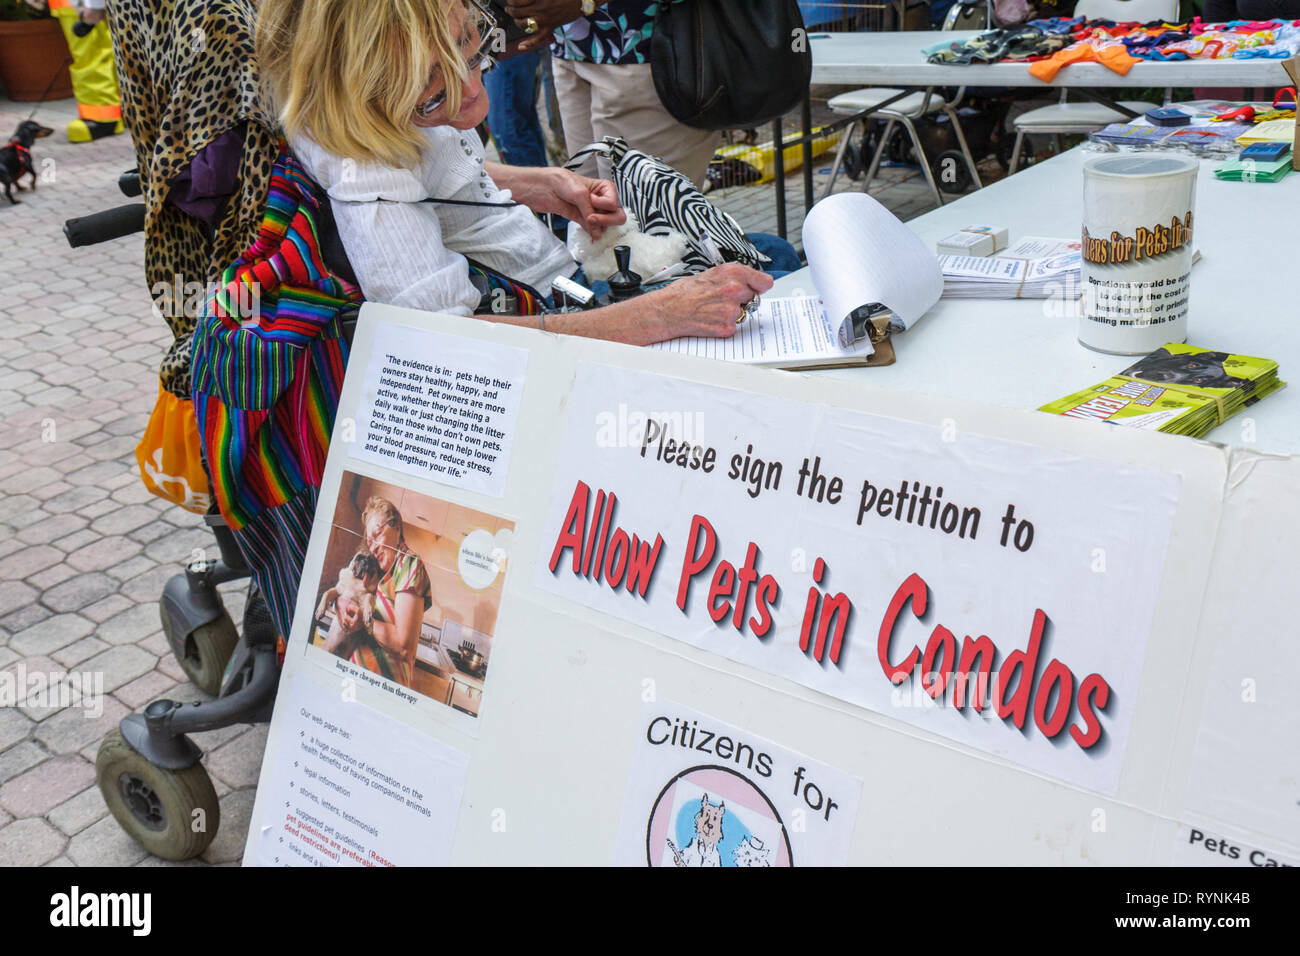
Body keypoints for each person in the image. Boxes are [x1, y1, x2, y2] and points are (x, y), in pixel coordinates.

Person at [255, 0, 772, 343]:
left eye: (471, 42)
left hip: (558, 287)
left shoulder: (376, 109)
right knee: (773, 267)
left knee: (773, 256)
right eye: (433, 94)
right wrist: (659, 315)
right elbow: (444, 346)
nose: (475, 98)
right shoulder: (363, 175)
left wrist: (542, 185)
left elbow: (432, 174)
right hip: (544, 333)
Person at [506, 0, 721, 188]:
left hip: (651, 53)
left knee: (646, 225)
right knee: (589, 217)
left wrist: (585, 2)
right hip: (570, 48)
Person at [353, 497, 433, 688]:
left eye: (377, 534)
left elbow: (404, 647)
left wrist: (364, 621)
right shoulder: (381, 573)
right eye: (369, 542)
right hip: (359, 680)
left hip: (383, 688)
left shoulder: (408, 563)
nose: (373, 547)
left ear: (396, 527)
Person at [44, 0, 123, 141]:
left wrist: (93, 4)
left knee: (90, 56)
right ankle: (122, 110)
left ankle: (101, 118)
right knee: (108, 49)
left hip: (79, 5)